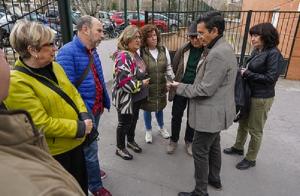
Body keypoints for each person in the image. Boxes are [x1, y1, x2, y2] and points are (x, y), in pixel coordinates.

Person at [3, 20, 92, 194]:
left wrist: (83, 113)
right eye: (50, 44)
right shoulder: (17, 82)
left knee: (81, 186)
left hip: (76, 143)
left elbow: (73, 92)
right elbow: (39, 123)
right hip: (57, 153)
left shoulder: (55, 66)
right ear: (32, 50)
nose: (55, 48)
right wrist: (79, 127)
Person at [171, 12, 238, 196]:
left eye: (201, 33)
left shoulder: (217, 54)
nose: (198, 37)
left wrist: (179, 87)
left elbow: (204, 90)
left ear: (214, 30)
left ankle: (200, 191)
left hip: (210, 114)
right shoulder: (224, 46)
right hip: (218, 112)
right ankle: (214, 179)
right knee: (214, 145)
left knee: (200, 150)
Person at [56, 16, 111, 196]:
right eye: (99, 30)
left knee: (90, 145)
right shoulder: (66, 52)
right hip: (83, 113)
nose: (103, 34)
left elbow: (99, 78)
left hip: (96, 108)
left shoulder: (92, 50)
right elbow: (69, 90)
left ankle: (91, 169)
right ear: (85, 29)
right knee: (90, 147)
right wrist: (85, 115)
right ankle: (95, 186)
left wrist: (104, 101)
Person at [223, 23, 283, 170]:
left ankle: (251, 158)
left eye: (256, 35)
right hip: (249, 93)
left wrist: (247, 73)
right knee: (243, 123)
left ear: (266, 36)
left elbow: (270, 78)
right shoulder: (258, 50)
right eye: (252, 36)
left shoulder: (274, 54)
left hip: (261, 97)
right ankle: (238, 147)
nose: (253, 39)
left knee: (255, 129)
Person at [112, 25, 150, 160]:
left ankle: (130, 141)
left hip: (136, 97)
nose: (138, 40)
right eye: (135, 37)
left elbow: (139, 72)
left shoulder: (135, 54)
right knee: (124, 123)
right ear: (127, 39)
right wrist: (142, 83)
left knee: (133, 121)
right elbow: (124, 83)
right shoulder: (123, 57)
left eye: (139, 37)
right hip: (126, 98)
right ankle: (120, 148)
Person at [167, 21, 204, 156]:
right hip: (181, 87)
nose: (194, 40)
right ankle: (173, 140)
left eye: (197, 36)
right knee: (176, 115)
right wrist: (173, 83)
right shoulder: (184, 49)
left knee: (192, 117)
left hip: (195, 90)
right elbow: (175, 66)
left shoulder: (208, 52)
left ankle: (189, 141)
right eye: (191, 37)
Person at [139, 24, 175, 143]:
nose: (153, 38)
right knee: (147, 109)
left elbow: (169, 67)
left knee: (160, 107)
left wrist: (170, 81)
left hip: (161, 86)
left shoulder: (163, 50)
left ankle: (161, 127)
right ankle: (148, 130)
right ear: (145, 39)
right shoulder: (141, 52)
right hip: (147, 88)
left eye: (154, 35)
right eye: (150, 36)